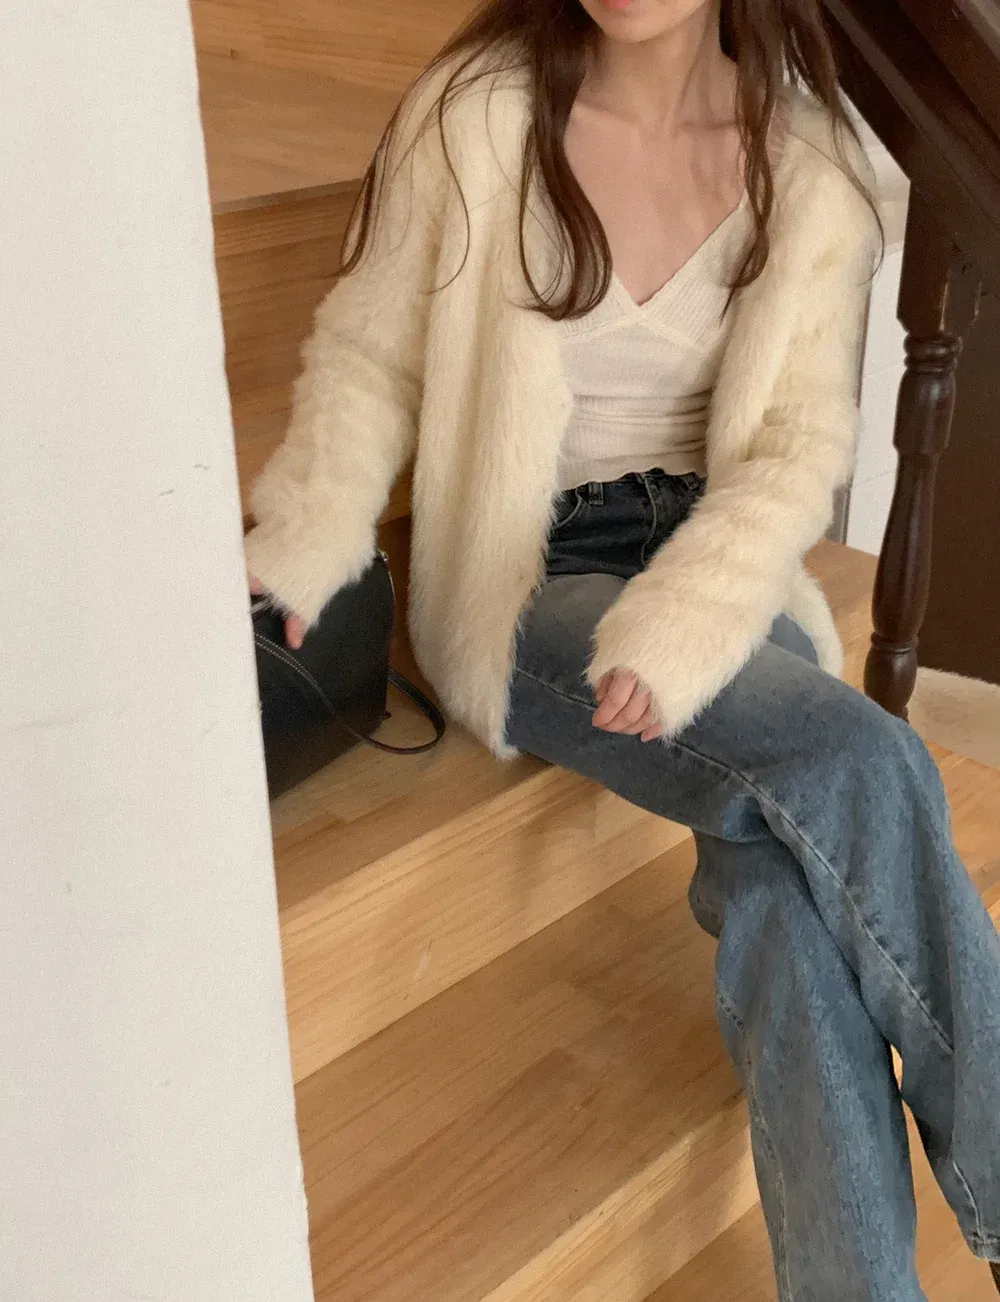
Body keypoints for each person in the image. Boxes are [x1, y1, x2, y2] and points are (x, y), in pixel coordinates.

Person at [244, 0, 1000, 1295]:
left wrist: (690, 620)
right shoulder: (475, 118)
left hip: (717, 570)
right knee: (865, 761)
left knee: (788, 905)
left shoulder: (809, 168)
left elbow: (792, 453)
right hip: (535, 575)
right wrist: (309, 526)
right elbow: (371, 358)